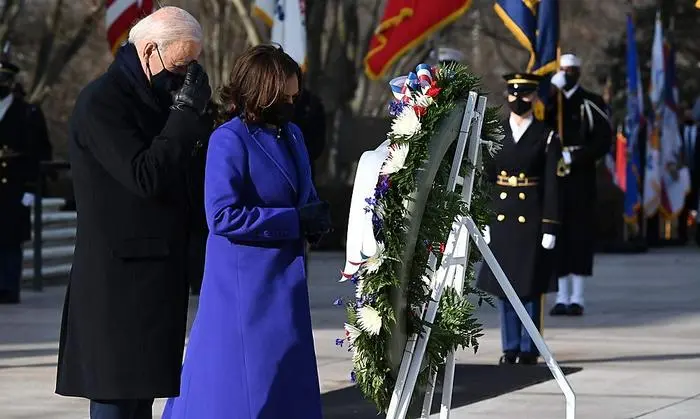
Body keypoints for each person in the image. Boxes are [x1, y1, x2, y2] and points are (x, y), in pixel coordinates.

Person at [55, 7, 213, 419]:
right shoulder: (102, 102)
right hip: (116, 287)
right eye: (181, 65)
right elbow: (144, 176)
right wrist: (184, 117)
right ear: (148, 53)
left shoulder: (158, 97)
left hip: (158, 277)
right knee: (116, 403)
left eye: (194, 66)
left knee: (142, 404)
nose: (186, 78)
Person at [162, 45, 332, 419]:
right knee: (239, 388)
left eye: (294, 95)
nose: (291, 102)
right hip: (243, 287)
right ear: (261, 91)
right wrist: (293, 221)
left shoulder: (294, 136)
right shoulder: (230, 138)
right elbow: (221, 216)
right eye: (284, 96)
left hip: (285, 281)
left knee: (286, 383)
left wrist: (316, 219)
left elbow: (303, 192)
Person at [476, 73, 561, 365]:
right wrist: (483, 218)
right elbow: (487, 179)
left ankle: (529, 346)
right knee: (505, 285)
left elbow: (552, 183)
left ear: (534, 97)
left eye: (524, 95)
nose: (517, 100)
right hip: (502, 218)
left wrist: (550, 225)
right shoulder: (495, 133)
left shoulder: (546, 135)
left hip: (532, 217)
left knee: (530, 286)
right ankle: (509, 346)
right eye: (513, 94)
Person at [546, 53, 612, 317]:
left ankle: (578, 296)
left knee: (579, 235)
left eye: (571, 69)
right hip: (558, 176)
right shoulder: (553, 102)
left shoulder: (590, 101)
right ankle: (561, 296)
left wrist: (576, 155)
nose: (566, 73)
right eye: (562, 69)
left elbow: (602, 140)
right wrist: (551, 94)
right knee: (558, 232)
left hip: (581, 175)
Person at [0, 52, 52, 305]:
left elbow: (39, 152)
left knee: (11, 238)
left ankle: (9, 287)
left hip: (15, 184)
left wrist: (31, 187)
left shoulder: (27, 112)